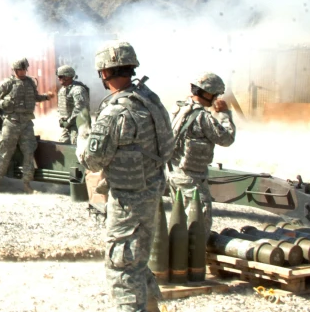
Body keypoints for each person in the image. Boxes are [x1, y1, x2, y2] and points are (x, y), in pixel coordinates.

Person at [79, 41, 175, 312]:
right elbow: (168, 146)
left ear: (104, 73)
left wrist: (82, 140)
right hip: (150, 191)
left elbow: (93, 160)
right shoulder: (150, 99)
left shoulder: (115, 112)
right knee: (137, 260)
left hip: (127, 200)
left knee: (121, 267)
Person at [168, 72, 236, 238]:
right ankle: (193, 262)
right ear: (206, 93)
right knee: (199, 228)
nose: (215, 99)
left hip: (174, 175)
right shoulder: (203, 117)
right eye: (214, 95)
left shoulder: (177, 109)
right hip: (193, 180)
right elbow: (226, 138)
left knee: (179, 225)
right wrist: (225, 114)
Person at [0, 58, 54, 194]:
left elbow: (35, 97)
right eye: (20, 69)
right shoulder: (7, 83)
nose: (22, 72)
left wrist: (46, 97)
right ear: (15, 70)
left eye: (24, 69)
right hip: (11, 123)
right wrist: (3, 104)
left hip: (26, 123)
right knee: (4, 152)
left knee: (29, 153)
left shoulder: (30, 82)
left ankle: (27, 185)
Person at [56, 65, 90, 145]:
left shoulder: (78, 90)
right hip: (66, 125)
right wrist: (61, 120)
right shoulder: (63, 90)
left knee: (76, 146)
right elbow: (61, 107)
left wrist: (69, 121)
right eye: (58, 77)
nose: (58, 79)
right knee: (63, 145)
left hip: (78, 125)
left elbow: (80, 108)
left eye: (61, 77)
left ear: (68, 77)